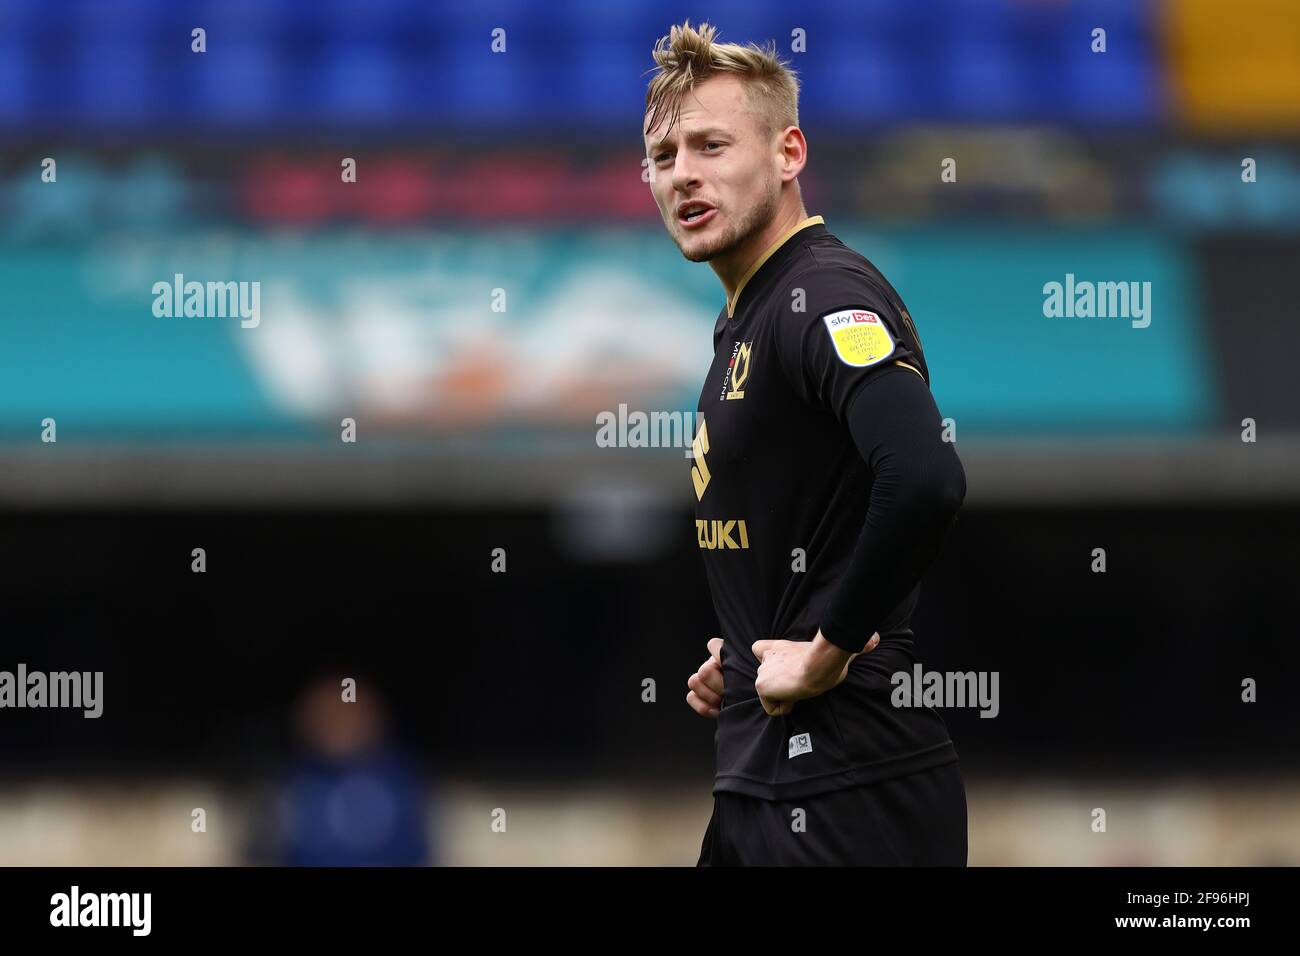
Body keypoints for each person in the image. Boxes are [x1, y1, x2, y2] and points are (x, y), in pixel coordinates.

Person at [644, 21, 969, 865]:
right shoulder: (746, 316)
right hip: (764, 777)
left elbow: (925, 474)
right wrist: (754, 648)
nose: (684, 173)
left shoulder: (821, 295)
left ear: (789, 153)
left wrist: (825, 652)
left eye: (712, 145)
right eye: (664, 155)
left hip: (850, 788)